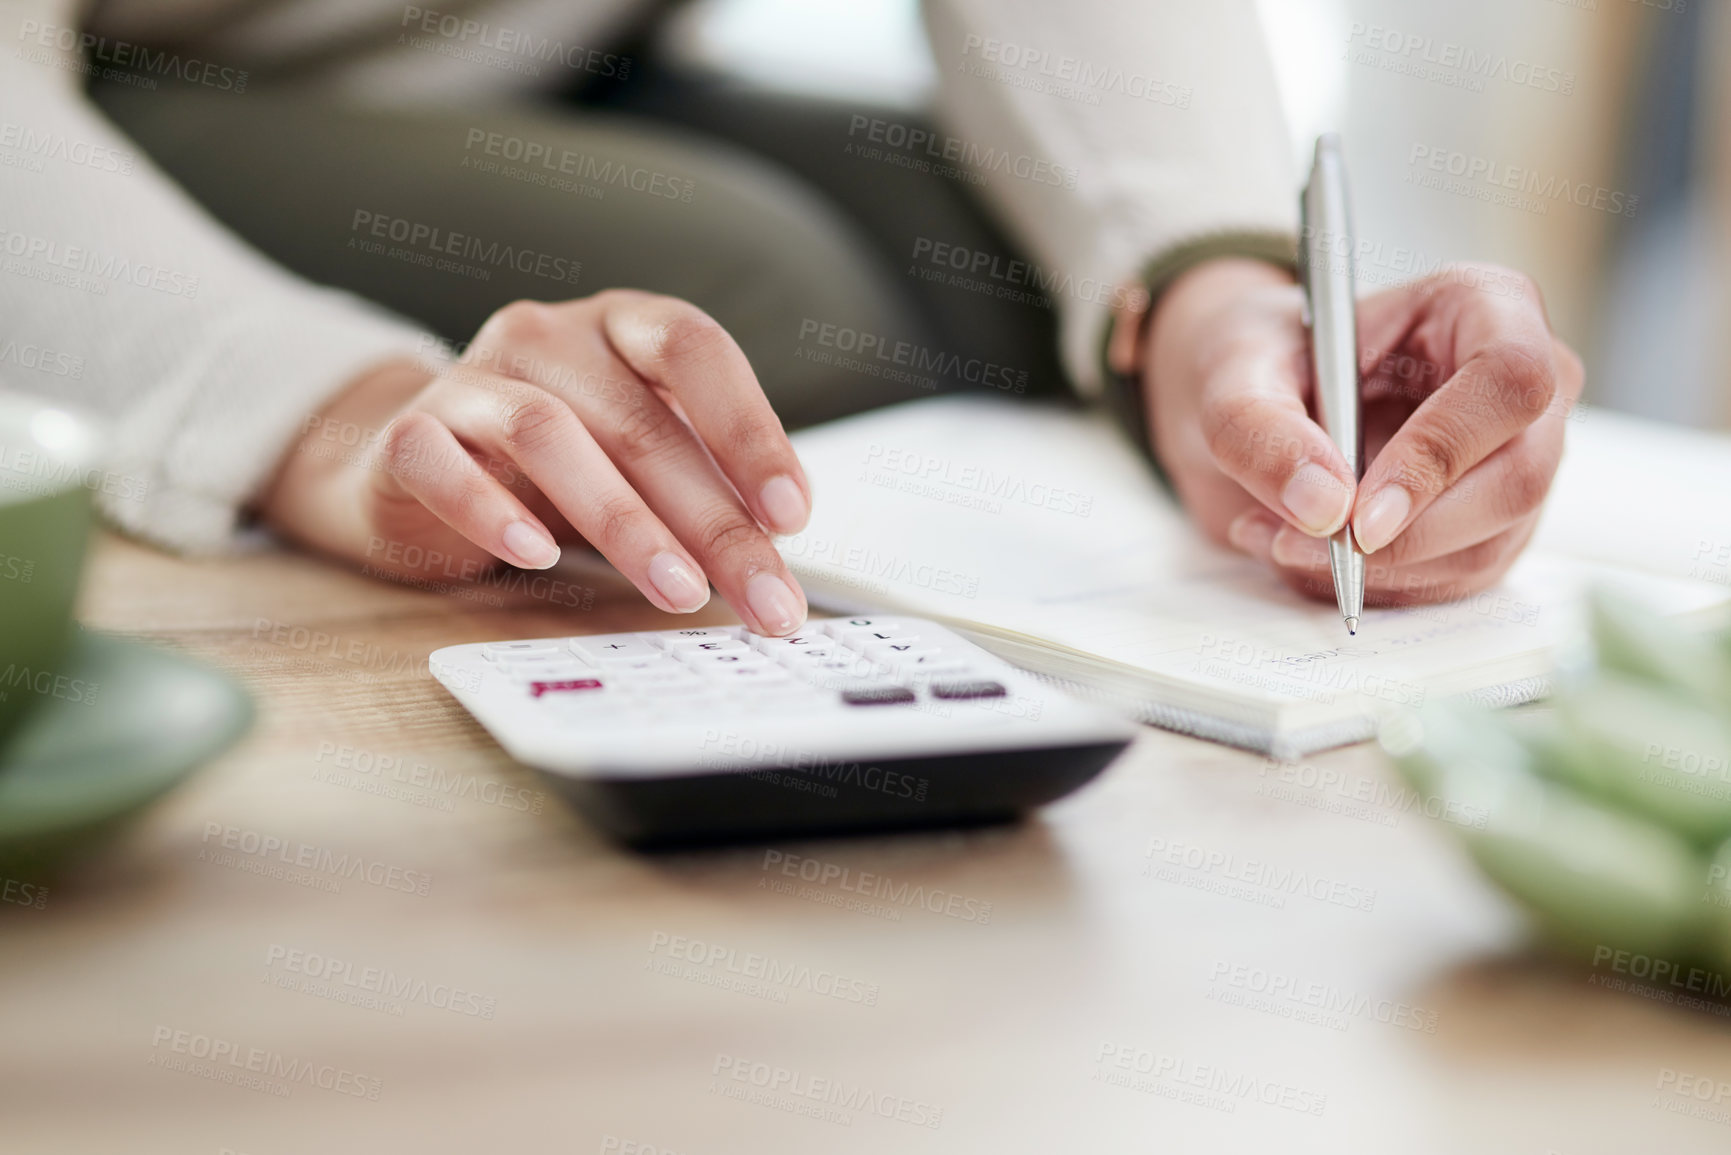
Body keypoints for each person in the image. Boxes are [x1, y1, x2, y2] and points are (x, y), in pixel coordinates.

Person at [0, 0, 1582, 636]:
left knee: (1003, 278)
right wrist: (324, 416)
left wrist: (1211, 295)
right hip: (121, 73)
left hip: (554, 58)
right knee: (766, 294)